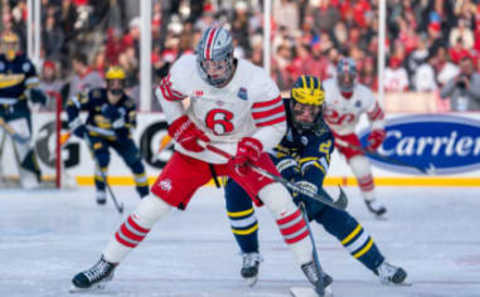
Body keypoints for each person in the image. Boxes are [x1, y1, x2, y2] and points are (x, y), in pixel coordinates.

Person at [70, 26, 331, 297]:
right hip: (196, 150)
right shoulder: (186, 70)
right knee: (152, 207)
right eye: (206, 64)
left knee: (281, 202)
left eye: (218, 64)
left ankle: (308, 264)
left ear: (230, 58)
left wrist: (253, 145)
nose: (212, 71)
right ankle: (107, 263)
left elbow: (275, 125)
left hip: (240, 149)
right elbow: (165, 94)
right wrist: (180, 125)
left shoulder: (256, 81)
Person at [224, 75, 408, 287]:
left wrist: (308, 185)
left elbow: (315, 166)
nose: (306, 115)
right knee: (235, 189)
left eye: (313, 109)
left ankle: (380, 265)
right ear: (292, 102)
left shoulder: (322, 133)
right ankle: (250, 254)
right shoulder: (272, 112)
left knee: (335, 216)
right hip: (262, 169)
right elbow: (255, 136)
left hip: (296, 177)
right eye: (302, 108)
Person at [66, 66, 148, 204]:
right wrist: (75, 124)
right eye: (112, 82)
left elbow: (131, 128)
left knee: (137, 164)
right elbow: (71, 104)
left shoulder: (129, 104)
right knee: (102, 158)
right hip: (96, 133)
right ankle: (100, 189)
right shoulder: (95, 95)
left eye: (119, 82)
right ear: (107, 83)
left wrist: (117, 121)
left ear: (124, 84)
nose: (116, 86)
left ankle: (145, 195)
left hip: (118, 137)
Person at [322, 57, 387, 217]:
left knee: (361, 165)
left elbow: (377, 116)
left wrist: (377, 134)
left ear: (355, 75)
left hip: (347, 132)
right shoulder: (326, 89)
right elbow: (312, 111)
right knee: (313, 163)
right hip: (323, 132)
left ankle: (371, 200)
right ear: (336, 75)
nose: (346, 79)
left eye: (349, 75)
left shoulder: (363, 94)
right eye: (342, 76)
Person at [0, 31, 48, 188]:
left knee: (23, 142)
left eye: (12, 44)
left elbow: (32, 85)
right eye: (6, 44)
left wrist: (34, 93)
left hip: (18, 107)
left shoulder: (25, 62)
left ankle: (29, 176)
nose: (9, 47)